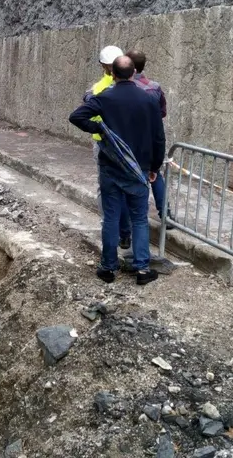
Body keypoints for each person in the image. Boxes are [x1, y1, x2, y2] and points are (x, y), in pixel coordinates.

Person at [69, 55, 165, 286]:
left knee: (111, 218)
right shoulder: (149, 99)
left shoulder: (105, 97)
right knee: (139, 219)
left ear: (112, 74)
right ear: (134, 73)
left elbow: (76, 116)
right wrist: (155, 166)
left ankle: (108, 268)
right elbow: (158, 138)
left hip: (110, 167)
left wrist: (100, 129)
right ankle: (142, 269)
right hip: (139, 168)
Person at [85, 46, 130, 249]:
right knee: (126, 187)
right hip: (127, 143)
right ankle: (125, 232)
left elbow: (83, 115)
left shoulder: (97, 89)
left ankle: (109, 228)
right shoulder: (133, 86)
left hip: (104, 143)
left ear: (103, 66)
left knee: (105, 188)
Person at [127, 50, 173, 230]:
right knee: (155, 173)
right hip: (151, 138)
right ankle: (165, 214)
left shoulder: (126, 87)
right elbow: (162, 112)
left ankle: (132, 218)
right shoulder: (154, 87)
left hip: (130, 138)